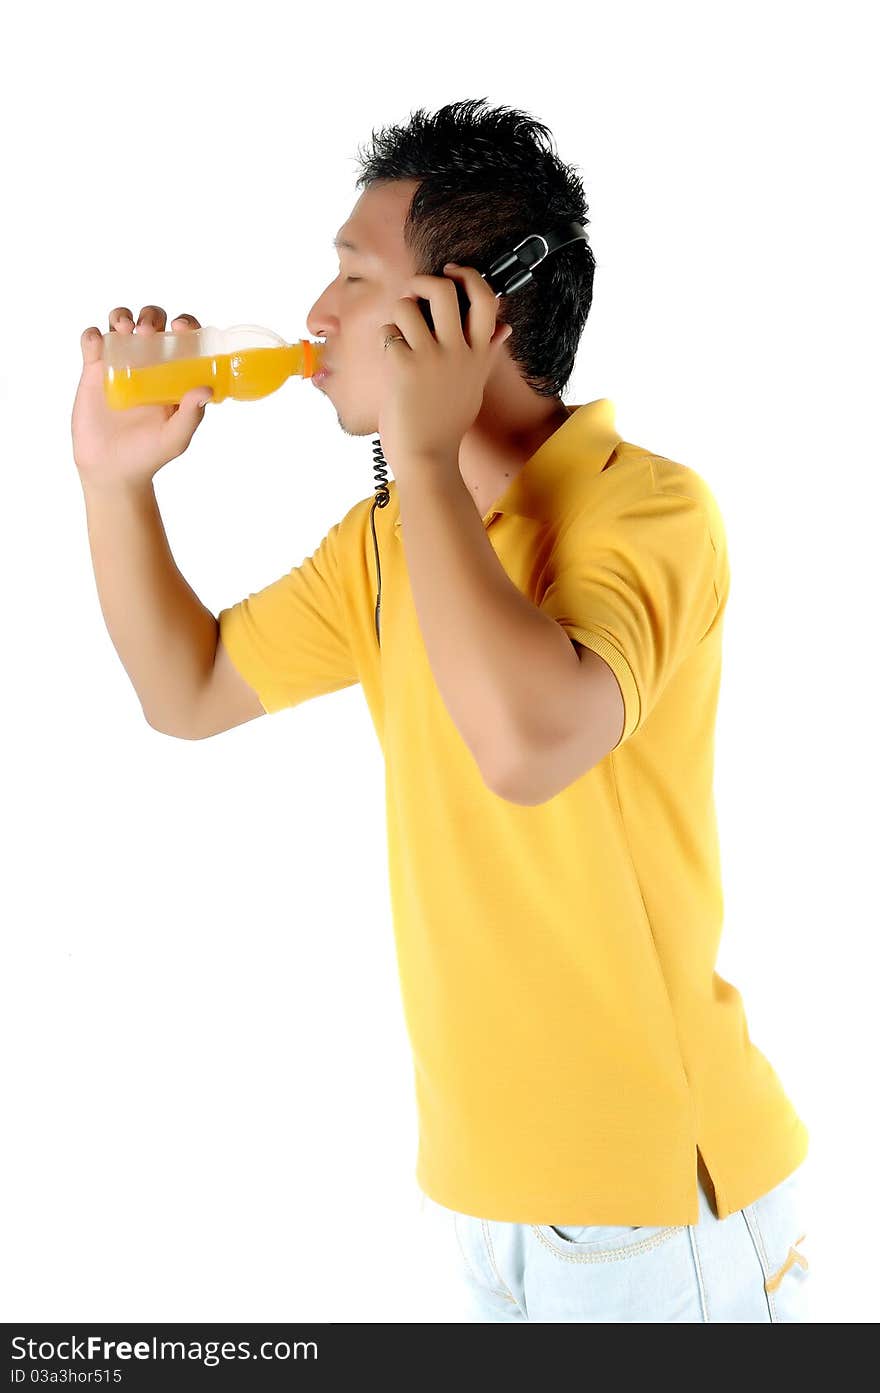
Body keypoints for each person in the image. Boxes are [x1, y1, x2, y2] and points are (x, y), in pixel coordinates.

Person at [71, 98, 810, 1322]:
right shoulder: (384, 548)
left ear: (468, 314)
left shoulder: (647, 512)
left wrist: (422, 463)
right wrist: (113, 488)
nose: (314, 317)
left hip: (650, 1206)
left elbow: (528, 745)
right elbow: (185, 689)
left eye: (355, 279)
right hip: (483, 1197)